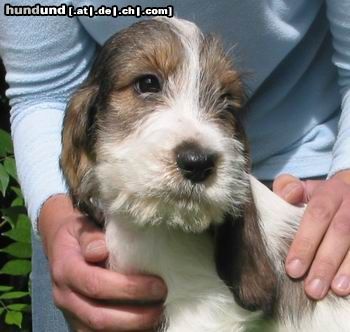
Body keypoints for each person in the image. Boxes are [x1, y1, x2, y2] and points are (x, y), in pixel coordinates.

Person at [1, 0, 350, 331]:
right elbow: (42, 88)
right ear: (84, 121)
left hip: (313, 185)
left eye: (224, 103)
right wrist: (59, 217)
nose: (196, 149)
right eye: (147, 85)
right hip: (103, 209)